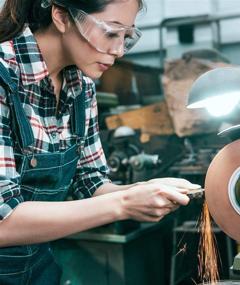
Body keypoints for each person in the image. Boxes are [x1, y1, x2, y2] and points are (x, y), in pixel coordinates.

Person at [0, 0, 200, 283]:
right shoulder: (4, 76)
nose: (118, 50)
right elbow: (3, 222)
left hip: (39, 267)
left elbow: (89, 182)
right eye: (110, 32)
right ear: (61, 16)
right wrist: (125, 203)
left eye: (126, 37)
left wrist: (147, 189)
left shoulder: (81, 89)